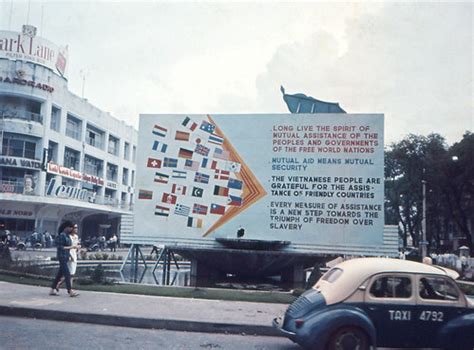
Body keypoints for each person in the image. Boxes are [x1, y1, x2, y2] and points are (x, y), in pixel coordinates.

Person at [49, 221, 80, 297]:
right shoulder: (62, 236)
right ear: (66, 227)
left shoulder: (67, 236)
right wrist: (72, 247)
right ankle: (70, 291)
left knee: (59, 275)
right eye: (70, 227)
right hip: (62, 256)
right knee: (67, 274)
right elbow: (60, 247)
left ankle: (52, 289)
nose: (71, 229)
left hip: (66, 256)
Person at [56, 224, 80, 290]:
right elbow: (66, 246)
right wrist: (69, 255)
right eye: (74, 228)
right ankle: (70, 289)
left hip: (74, 254)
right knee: (70, 273)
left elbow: (76, 245)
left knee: (71, 274)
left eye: (77, 228)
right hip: (69, 254)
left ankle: (59, 283)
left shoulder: (76, 237)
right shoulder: (68, 237)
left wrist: (79, 249)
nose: (76, 229)